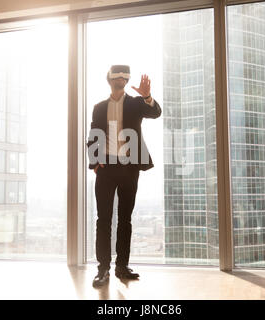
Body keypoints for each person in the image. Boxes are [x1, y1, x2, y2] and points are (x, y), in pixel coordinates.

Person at [87, 65, 161, 288]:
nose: (121, 78)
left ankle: (122, 266)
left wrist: (147, 96)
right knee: (104, 219)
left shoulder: (137, 104)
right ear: (109, 79)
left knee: (125, 219)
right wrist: (95, 163)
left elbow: (155, 113)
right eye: (117, 75)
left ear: (127, 80)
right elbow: (93, 135)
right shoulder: (99, 107)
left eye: (124, 76)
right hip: (106, 168)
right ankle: (102, 269)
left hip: (129, 167)